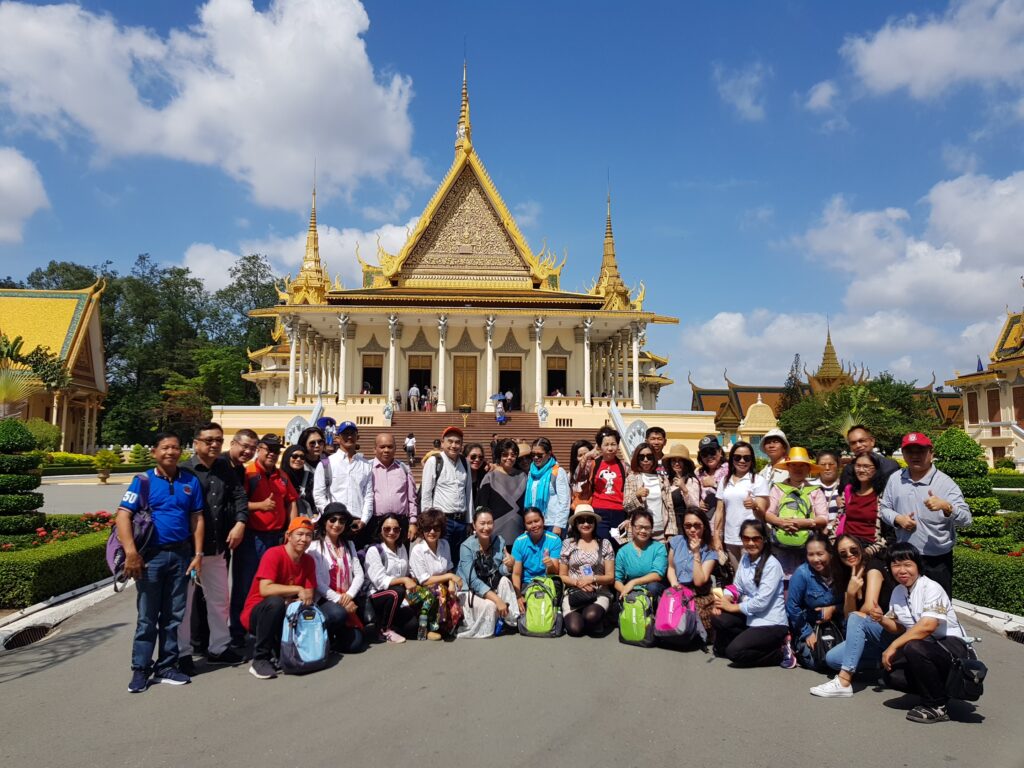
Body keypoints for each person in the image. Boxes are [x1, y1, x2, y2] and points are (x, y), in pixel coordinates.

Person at [812, 543, 971, 725]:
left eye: (907, 564)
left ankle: (936, 704)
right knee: (884, 671)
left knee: (913, 646)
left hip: (949, 649)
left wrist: (893, 646)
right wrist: (880, 618)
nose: (902, 570)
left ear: (918, 565)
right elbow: (897, 628)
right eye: (896, 565)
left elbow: (928, 626)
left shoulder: (931, 587)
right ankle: (845, 678)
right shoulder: (899, 591)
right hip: (918, 649)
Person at [118, 432, 205, 692]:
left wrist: (198, 555)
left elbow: (197, 519)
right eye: (165, 447)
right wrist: (131, 552)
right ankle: (141, 669)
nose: (171, 452)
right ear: (154, 451)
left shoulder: (189, 481)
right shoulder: (143, 481)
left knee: (173, 616)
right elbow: (123, 516)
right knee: (147, 617)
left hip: (180, 555)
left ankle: (167, 665)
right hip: (150, 557)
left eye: (176, 447)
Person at [178, 422, 248, 672]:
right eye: (209, 440)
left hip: (217, 546)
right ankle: (182, 653)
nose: (215, 445)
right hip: (187, 551)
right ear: (196, 443)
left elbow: (239, 496)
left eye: (218, 440)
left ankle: (219, 646)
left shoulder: (223, 468)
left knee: (219, 601)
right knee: (184, 605)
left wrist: (240, 522)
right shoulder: (183, 470)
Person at [239, 517, 340, 680]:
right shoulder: (273, 554)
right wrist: (296, 590)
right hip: (259, 613)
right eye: (299, 534)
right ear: (288, 535)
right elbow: (265, 589)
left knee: (323, 612)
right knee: (275, 603)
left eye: (308, 535)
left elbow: (309, 594)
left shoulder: (308, 560)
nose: (304, 539)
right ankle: (260, 659)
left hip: (289, 610)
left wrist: (299, 596)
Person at [879, 433, 971, 597]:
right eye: (910, 451)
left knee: (938, 610)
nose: (915, 456)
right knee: (907, 608)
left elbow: (967, 519)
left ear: (931, 453)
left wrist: (946, 507)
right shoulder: (895, 479)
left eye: (920, 451)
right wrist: (898, 519)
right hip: (905, 557)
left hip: (936, 560)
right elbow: (884, 508)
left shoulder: (945, 483)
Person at [231, 434, 299, 648]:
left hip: (276, 537)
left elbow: (292, 501)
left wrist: (292, 528)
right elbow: (236, 503)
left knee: (274, 586)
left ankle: (266, 630)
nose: (272, 453)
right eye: (268, 449)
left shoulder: (281, 476)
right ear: (259, 449)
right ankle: (238, 633)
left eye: (276, 450)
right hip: (253, 537)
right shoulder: (249, 473)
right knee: (246, 586)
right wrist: (259, 506)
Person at [711, 519, 790, 668]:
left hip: (771, 623)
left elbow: (761, 602)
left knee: (734, 653)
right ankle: (747, 642)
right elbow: (737, 586)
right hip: (750, 618)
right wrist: (724, 600)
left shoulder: (772, 565)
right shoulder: (746, 559)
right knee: (718, 618)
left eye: (756, 538)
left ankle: (780, 652)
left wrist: (732, 607)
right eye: (746, 538)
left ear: (764, 540)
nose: (751, 543)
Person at [306, 503, 368, 653]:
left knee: (356, 644)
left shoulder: (349, 545)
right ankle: (319, 638)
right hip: (325, 600)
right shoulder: (314, 547)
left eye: (341, 521)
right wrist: (340, 600)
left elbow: (359, 574)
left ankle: (334, 638)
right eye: (332, 520)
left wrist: (348, 596)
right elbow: (318, 582)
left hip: (346, 597)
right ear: (325, 522)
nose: (337, 524)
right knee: (338, 613)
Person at [761, 447, 828, 581]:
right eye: (793, 465)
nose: (798, 469)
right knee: (782, 580)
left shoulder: (815, 491)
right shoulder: (777, 488)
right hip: (781, 545)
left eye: (802, 465)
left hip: (807, 547)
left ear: (808, 469)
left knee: (806, 579)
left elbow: (823, 518)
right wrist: (782, 523)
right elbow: (767, 514)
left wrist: (802, 523)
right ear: (788, 468)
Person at [456, 507, 519, 637]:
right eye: (482, 523)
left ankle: (509, 621)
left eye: (489, 523)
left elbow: (500, 570)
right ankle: (492, 620)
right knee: (491, 605)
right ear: (474, 524)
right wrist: (497, 600)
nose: (486, 527)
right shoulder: (466, 547)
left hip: (489, 584)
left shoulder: (499, 541)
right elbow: (472, 581)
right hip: (470, 589)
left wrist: (509, 566)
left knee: (505, 581)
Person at [785, 533, 842, 670]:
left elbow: (851, 602)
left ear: (830, 553)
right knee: (818, 662)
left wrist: (834, 608)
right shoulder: (802, 574)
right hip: (810, 625)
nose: (816, 559)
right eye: (811, 555)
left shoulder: (840, 571)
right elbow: (792, 607)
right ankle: (791, 646)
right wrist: (807, 632)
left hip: (837, 625)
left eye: (820, 554)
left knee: (838, 661)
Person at [420, 426, 474, 570]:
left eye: (457, 442)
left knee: (459, 557)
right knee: (442, 559)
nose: (453, 445)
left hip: (461, 521)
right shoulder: (434, 461)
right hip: (442, 520)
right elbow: (426, 493)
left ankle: (457, 587)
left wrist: (469, 520)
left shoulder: (464, 462)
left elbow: (468, 492)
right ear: (442, 443)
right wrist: (428, 522)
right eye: (450, 441)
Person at [559, 505, 616, 637]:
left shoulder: (605, 544)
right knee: (575, 629)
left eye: (589, 520)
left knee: (591, 616)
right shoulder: (568, 544)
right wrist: (578, 582)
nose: (586, 524)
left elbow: (610, 577)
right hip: (575, 592)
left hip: (599, 592)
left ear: (595, 523)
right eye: (581, 521)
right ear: (575, 524)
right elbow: (562, 575)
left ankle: (599, 616)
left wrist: (592, 578)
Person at [362, 513, 420, 642]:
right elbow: (380, 581)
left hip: (397, 598)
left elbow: (405, 573)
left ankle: (390, 622)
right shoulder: (375, 550)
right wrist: (404, 580)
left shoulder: (401, 548)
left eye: (396, 529)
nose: (391, 532)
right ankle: (385, 630)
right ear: (380, 530)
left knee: (413, 627)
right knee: (396, 591)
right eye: (387, 529)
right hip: (376, 596)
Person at [409, 507, 463, 640]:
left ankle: (445, 625)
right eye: (428, 528)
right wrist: (450, 577)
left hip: (441, 588)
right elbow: (424, 581)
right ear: (422, 530)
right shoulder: (418, 550)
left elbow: (449, 568)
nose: (432, 532)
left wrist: (451, 584)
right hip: (419, 592)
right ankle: (428, 628)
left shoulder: (445, 544)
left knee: (450, 591)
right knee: (437, 590)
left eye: (436, 528)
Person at [714, 441, 769, 570]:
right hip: (730, 537)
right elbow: (720, 510)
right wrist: (716, 536)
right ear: (732, 458)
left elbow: (762, 512)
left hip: (751, 538)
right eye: (737, 457)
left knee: (751, 576)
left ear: (752, 460)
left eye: (747, 458)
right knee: (737, 577)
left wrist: (754, 504)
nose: (742, 461)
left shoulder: (758, 480)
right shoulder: (725, 480)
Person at [666, 507, 718, 636]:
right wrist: (673, 584)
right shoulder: (677, 541)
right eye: (688, 526)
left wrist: (696, 553)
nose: (692, 530)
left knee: (693, 622)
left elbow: (699, 581)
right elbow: (671, 567)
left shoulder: (710, 551)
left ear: (704, 526)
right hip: (678, 589)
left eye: (697, 525)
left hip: (697, 592)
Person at [312, 421, 373, 524]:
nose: (349, 437)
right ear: (337, 438)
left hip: (357, 520)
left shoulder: (366, 465)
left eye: (352, 434)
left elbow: (368, 496)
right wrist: (331, 515)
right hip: (334, 521)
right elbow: (319, 495)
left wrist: (364, 520)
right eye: (345, 434)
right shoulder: (326, 463)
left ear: (357, 437)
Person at [576, 427, 629, 544]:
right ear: (600, 446)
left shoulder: (623, 466)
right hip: (599, 513)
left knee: (620, 544)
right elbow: (577, 476)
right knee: (602, 544)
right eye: (606, 445)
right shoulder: (593, 464)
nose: (610, 448)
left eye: (613, 444)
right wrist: (587, 455)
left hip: (619, 513)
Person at [365, 432, 418, 545]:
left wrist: (413, 522)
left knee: (401, 559)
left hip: (400, 523)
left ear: (395, 449)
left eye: (390, 446)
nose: (386, 450)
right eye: (382, 447)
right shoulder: (366, 469)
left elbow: (412, 498)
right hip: (375, 523)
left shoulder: (404, 468)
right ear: (374, 449)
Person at [837, 451, 892, 558]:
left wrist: (868, 551)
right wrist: (835, 543)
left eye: (866, 466)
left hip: (871, 549)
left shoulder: (883, 495)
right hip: (846, 546)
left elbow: (889, 534)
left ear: (876, 469)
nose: (861, 470)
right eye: (858, 466)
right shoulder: (849, 490)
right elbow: (839, 519)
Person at [511, 507, 563, 613]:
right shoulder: (519, 542)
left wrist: (550, 565)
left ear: (543, 520)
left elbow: (555, 572)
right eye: (529, 523)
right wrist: (518, 596)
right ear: (525, 525)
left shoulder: (554, 540)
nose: (534, 525)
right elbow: (516, 574)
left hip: (547, 582)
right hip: (527, 583)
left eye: (536, 521)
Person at [477, 438, 528, 543]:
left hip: (519, 533)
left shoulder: (523, 476)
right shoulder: (490, 477)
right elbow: (482, 506)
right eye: (505, 454)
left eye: (513, 454)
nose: (509, 458)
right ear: (499, 456)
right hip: (495, 533)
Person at [614, 509, 668, 603]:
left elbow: (658, 574)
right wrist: (624, 591)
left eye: (647, 528)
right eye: (639, 527)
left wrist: (633, 582)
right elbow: (617, 579)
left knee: (653, 587)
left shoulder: (659, 548)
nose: (643, 531)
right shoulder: (623, 551)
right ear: (632, 527)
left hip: (653, 591)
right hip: (632, 592)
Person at [624, 442, 671, 541]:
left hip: (661, 532)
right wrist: (636, 495)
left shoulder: (663, 479)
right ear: (637, 459)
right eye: (642, 457)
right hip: (640, 532)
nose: (645, 460)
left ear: (654, 458)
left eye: (649, 457)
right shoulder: (632, 478)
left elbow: (670, 507)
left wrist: (671, 532)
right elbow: (626, 506)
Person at [524, 437, 570, 535]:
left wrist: (558, 525)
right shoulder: (531, 473)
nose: (536, 457)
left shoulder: (558, 472)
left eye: (540, 455)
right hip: (535, 523)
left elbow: (564, 501)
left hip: (552, 523)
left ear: (549, 454)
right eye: (533, 454)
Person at [838, 424, 901, 491]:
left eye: (861, 441)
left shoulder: (890, 466)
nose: (858, 445)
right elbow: (843, 493)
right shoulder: (848, 470)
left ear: (872, 441)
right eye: (853, 443)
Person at [661, 443, 700, 537]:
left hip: (682, 526)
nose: (676, 463)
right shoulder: (667, 480)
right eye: (674, 460)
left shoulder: (691, 480)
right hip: (668, 526)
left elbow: (695, 506)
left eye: (680, 461)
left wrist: (684, 489)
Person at [696, 435, 728, 514]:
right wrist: (698, 502)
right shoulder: (698, 473)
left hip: (724, 517)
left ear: (720, 452)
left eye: (712, 452)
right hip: (705, 520)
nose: (709, 456)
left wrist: (714, 484)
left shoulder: (730, 469)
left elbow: (735, 493)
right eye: (704, 454)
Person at [813, 449, 842, 537]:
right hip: (814, 535)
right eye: (822, 465)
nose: (827, 468)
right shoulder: (810, 487)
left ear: (838, 465)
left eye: (831, 464)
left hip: (838, 535)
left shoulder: (845, 487)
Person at [282, 445, 314, 520]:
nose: (298, 459)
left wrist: (315, 514)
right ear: (287, 457)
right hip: (282, 522)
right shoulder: (279, 477)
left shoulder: (310, 477)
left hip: (304, 523)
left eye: (302, 457)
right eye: (294, 456)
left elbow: (314, 500)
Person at [568, 439, 594, 510]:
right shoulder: (570, 476)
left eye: (586, 454)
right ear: (575, 458)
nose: (584, 458)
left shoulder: (597, 471)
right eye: (580, 455)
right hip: (576, 512)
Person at [464, 442, 488, 508]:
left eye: (480, 457)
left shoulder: (485, 475)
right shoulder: (459, 475)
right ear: (465, 457)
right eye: (473, 457)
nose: (477, 460)